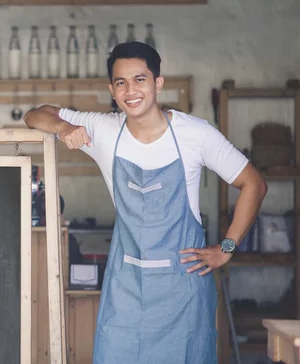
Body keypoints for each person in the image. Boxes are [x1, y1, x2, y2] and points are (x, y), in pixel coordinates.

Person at [23, 41, 267, 363]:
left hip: (184, 290)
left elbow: (253, 183)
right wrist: (64, 128)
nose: (131, 90)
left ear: (158, 83)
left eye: (140, 79)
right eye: (121, 82)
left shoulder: (195, 134)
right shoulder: (104, 130)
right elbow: (34, 115)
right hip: (126, 291)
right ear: (112, 90)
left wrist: (226, 249)